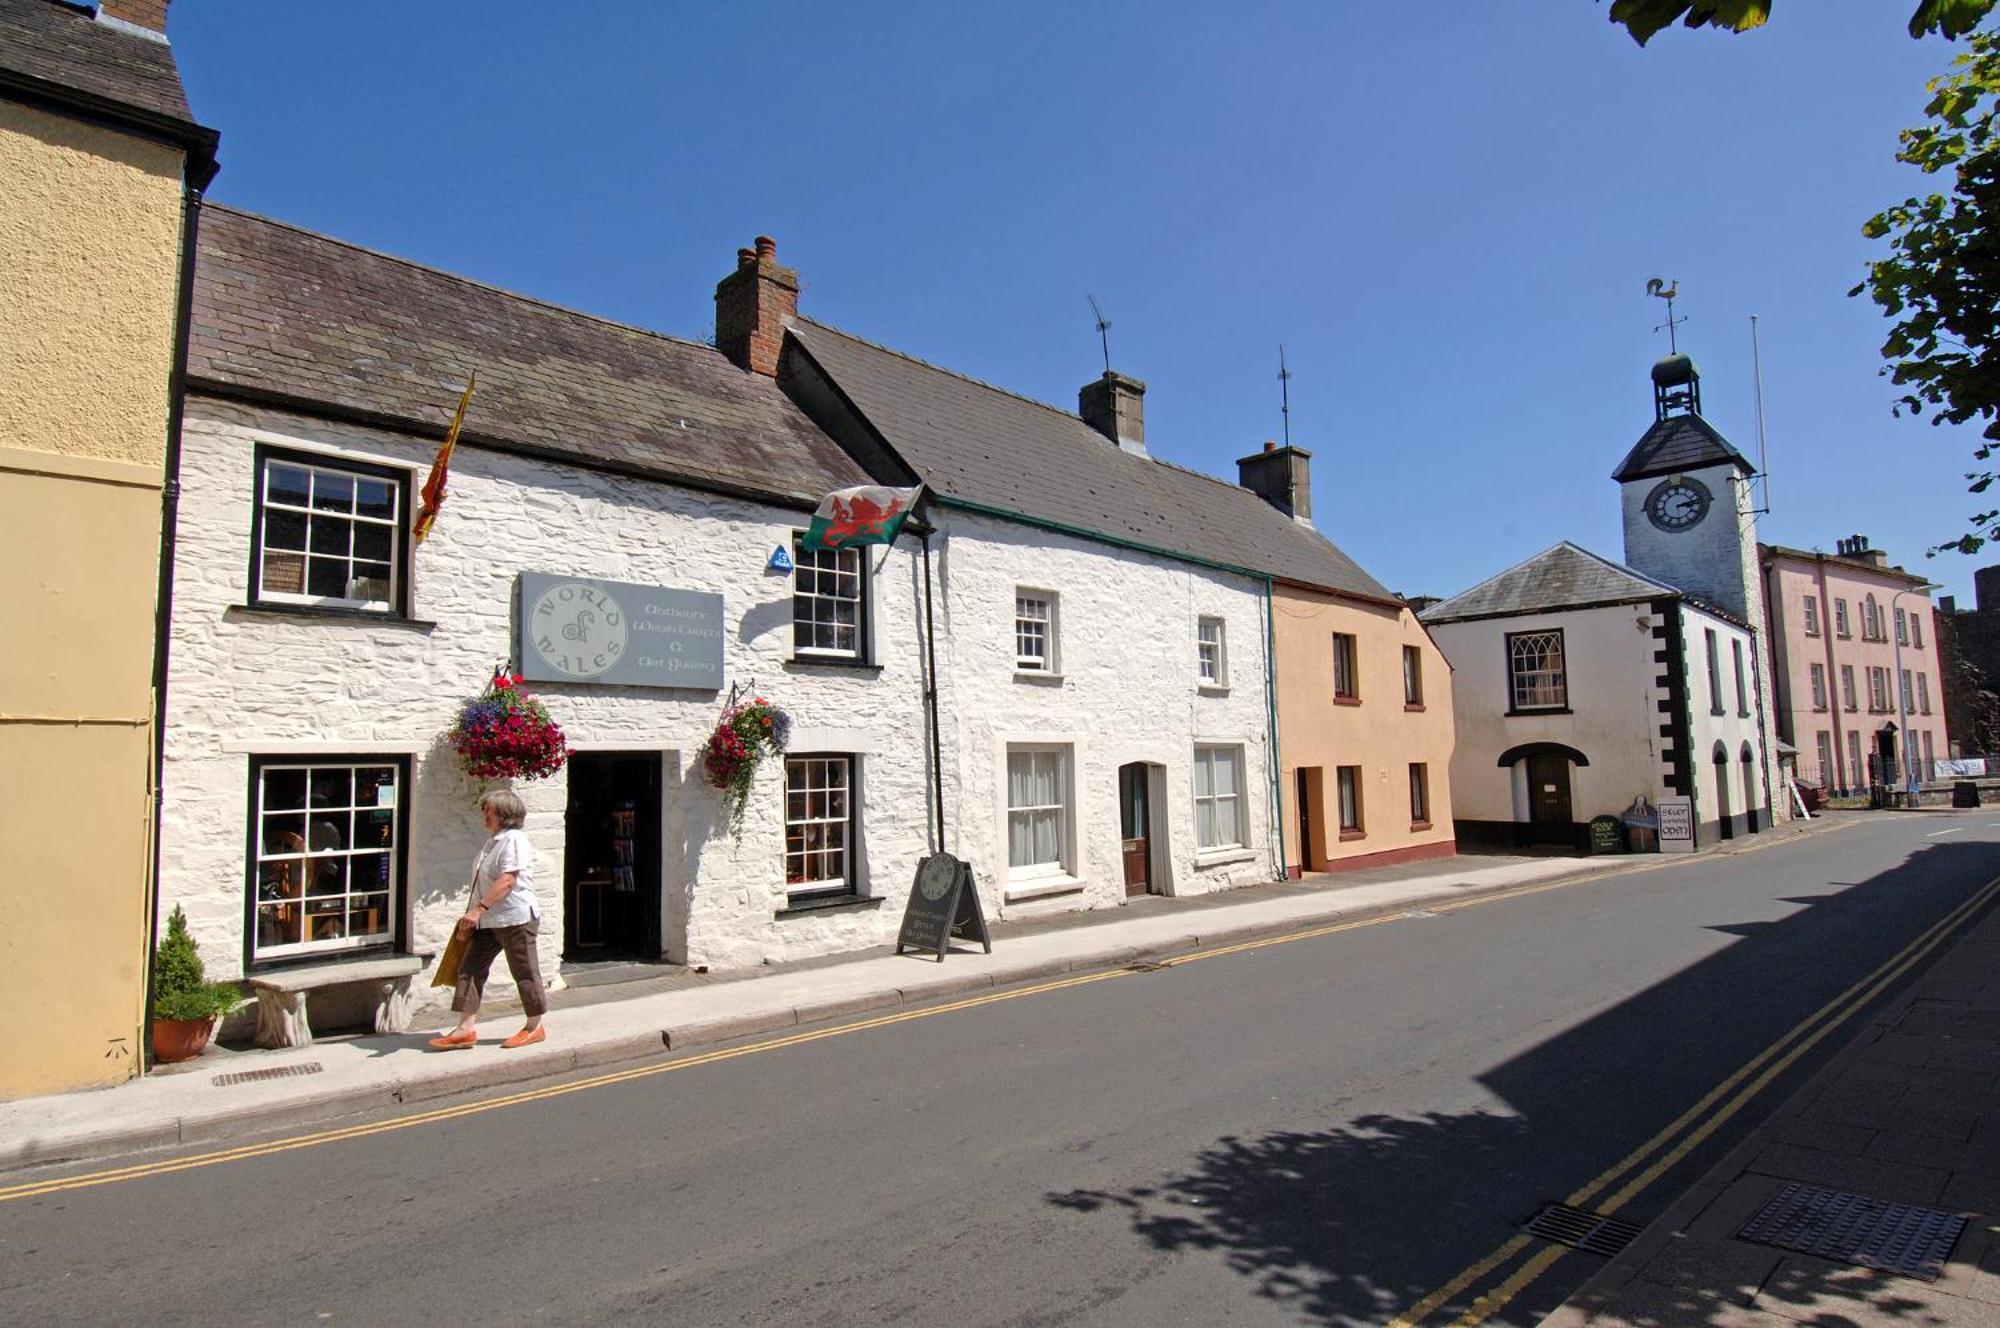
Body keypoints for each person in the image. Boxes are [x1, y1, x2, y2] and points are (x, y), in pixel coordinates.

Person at [429, 790, 547, 1050]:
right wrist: (475, 913)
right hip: (488, 920)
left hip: (514, 917)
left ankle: (535, 1026)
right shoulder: (493, 842)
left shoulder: (513, 840)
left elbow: (508, 879)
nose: (485, 815)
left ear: (504, 815)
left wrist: (478, 909)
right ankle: (465, 1029)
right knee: (469, 968)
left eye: (489, 811)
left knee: (525, 972)